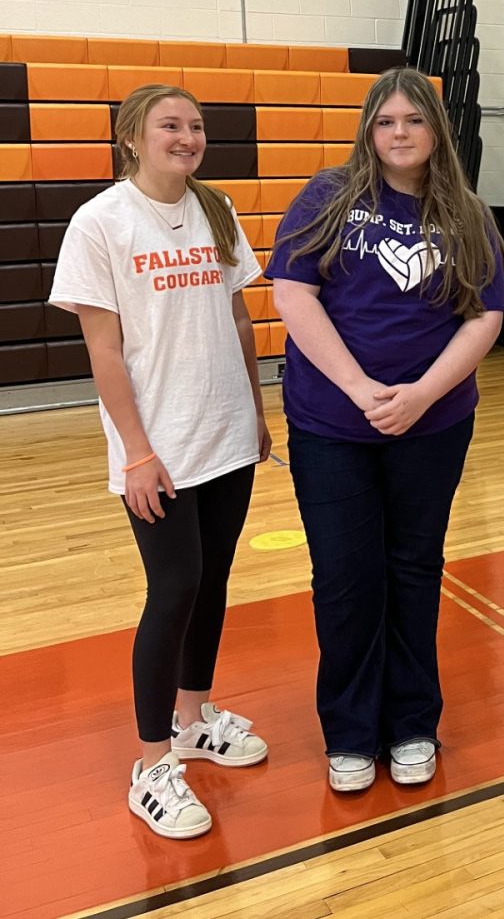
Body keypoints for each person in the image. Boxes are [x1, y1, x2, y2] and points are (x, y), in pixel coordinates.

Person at [269, 67, 504, 793]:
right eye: (385, 121)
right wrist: (362, 388)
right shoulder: (328, 195)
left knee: (413, 568)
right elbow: (292, 291)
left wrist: (421, 395)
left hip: (433, 427)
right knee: (345, 577)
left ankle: (411, 723)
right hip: (331, 424)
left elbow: (486, 315)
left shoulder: (467, 213)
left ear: (437, 129)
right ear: (368, 131)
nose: (399, 133)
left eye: (413, 120)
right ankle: (349, 730)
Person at [48, 85, 271, 839]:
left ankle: (191, 719)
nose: (188, 135)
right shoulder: (100, 222)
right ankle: (152, 765)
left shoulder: (217, 210)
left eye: (197, 124)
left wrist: (257, 408)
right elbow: (103, 349)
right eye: (170, 124)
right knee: (173, 586)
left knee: (211, 580)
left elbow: (238, 313)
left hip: (228, 432)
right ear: (132, 139)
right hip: (160, 448)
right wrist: (137, 452)